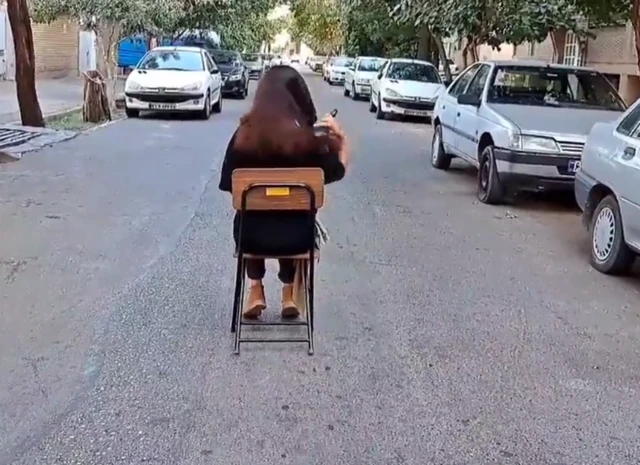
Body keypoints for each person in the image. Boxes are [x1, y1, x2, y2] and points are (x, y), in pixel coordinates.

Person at [219, 65, 351, 320]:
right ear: (298, 99)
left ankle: (255, 289)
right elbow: (337, 171)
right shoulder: (308, 140)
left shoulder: (242, 137)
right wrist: (341, 139)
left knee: (249, 214)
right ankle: (289, 293)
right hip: (297, 239)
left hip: (251, 239)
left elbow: (229, 186)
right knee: (292, 215)